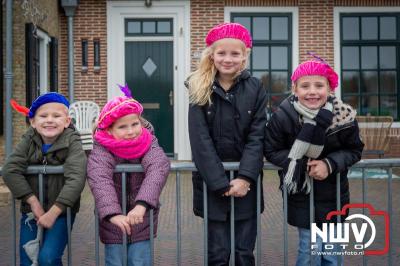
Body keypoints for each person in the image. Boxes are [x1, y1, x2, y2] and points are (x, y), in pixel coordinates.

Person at [264, 58, 364, 265]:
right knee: (309, 251)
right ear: (295, 89)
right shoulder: (283, 116)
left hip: (334, 196)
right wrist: (301, 164)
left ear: (329, 88)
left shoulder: (343, 118)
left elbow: (354, 149)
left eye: (319, 85)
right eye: (305, 86)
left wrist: (329, 164)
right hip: (302, 194)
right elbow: (271, 150)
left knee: (331, 254)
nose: (312, 91)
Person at [186, 23, 267, 265]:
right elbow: (200, 140)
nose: (228, 59)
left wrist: (245, 178)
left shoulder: (256, 88)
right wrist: (219, 182)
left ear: (245, 56)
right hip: (212, 186)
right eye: (222, 53)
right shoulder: (198, 88)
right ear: (212, 54)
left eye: (235, 53)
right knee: (218, 255)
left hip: (247, 186)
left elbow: (257, 136)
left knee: (244, 254)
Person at [87, 84, 170, 266]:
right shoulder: (102, 148)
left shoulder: (148, 141)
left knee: (139, 260)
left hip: (142, 218)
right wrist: (112, 214)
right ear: (109, 130)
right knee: (115, 261)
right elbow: (99, 178)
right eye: (123, 127)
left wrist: (142, 205)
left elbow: (158, 166)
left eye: (135, 124)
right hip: (113, 222)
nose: (131, 131)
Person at [3, 92, 87, 266]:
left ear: (67, 121)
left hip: (62, 212)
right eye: (43, 116)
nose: (49, 120)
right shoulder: (29, 138)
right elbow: (10, 169)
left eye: (56, 116)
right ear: (33, 122)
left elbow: (77, 178)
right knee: (27, 258)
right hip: (30, 213)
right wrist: (33, 202)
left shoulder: (73, 141)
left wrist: (54, 212)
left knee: (47, 258)